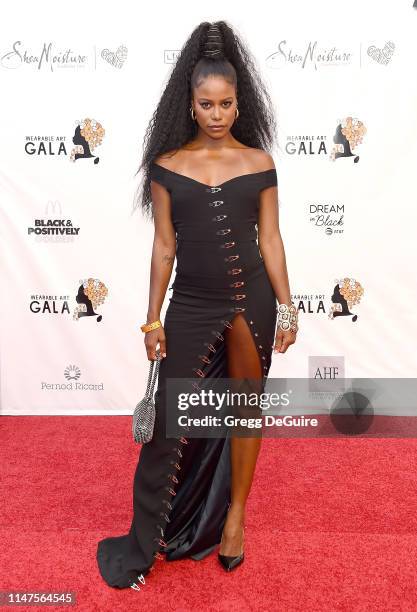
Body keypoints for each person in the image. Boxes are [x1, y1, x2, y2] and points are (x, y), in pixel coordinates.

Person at [96, 20, 298, 589]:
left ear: (240, 106)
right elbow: (164, 246)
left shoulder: (259, 164)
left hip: (252, 299)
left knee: (244, 409)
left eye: (226, 103)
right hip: (191, 301)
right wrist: (152, 316)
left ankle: (235, 518)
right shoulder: (166, 167)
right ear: (189, 105)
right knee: (169, 422)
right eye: (206, 103)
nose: (216, 113)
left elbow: (273, 240)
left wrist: (287, 307)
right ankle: (153, 532)